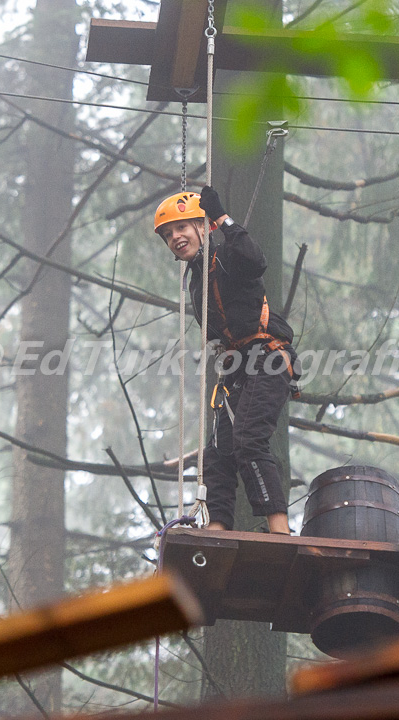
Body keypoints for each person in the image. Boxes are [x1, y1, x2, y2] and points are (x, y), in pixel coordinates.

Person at [154, 186, 299, 534]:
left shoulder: (226, 257)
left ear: (202, 229)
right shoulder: (197, 280)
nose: (175, 238)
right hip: (242, 368)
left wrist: (221, 216)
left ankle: (280, 530)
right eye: (169, 234)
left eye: (183, 228)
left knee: (248, 440)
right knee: (217, 454)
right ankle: (217, 528)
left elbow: (254, 260)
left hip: (269, 359)